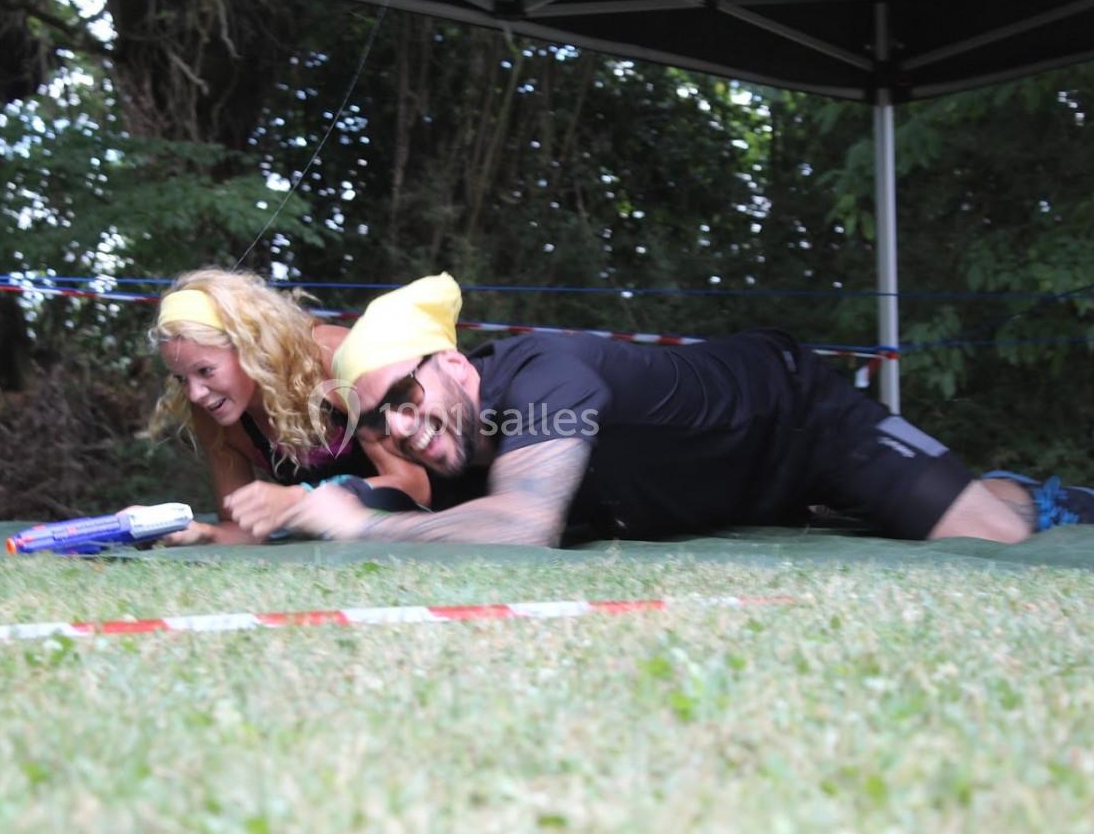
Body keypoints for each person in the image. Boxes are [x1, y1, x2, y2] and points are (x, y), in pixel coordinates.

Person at [247, 272, 1094, 547]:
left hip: (799, 418)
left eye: (405, 395)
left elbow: (523, 524)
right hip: (735, 492)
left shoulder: (545, 375)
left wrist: (355, 526)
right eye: (378, 422)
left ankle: (1043, 494)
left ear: (458, 366)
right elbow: (428, 515)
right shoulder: (460, 449)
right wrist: (290, 513)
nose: (398, 427)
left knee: (995, 536)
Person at [149, 268, 430, 545]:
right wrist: (199, 533)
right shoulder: (213, 408)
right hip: (352, 542)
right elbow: (243, 527)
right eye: (181, 378)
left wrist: (300, 499)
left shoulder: (332, 359)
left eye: (206, 370)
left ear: (251, 346)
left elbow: (417, 487)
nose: (195, 393)